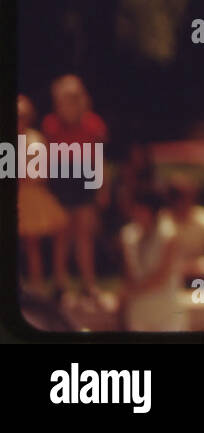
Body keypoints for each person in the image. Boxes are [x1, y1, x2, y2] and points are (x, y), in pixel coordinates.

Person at [41, 75, 108, 303]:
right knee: (62, 234)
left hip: (84, 177)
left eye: (71, 99)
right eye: (62, 100)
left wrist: (101, 187)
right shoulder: (51, 124)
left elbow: (99, 159)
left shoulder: (93, 124)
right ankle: (61, 285)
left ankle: (89, 284)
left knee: (83, 235)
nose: (65, 105)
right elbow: (47, 158)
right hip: (61, 179)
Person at [17, 94, 69, 291]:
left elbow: (41, 173)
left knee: (35, 243)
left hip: (32, 195)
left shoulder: (35, 138)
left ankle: (42, 285)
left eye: (21, 116)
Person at [119, 185, 187, 331]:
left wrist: (130, 291)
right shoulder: (128, 235)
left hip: (166, 312)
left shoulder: (170, 235)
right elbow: (129, 274)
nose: (136, 213)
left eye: (140, 209)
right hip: (138, 311)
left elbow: (162, 277)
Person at [163, 173, 204, 283]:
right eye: (176, 199)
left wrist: (198, 266)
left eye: (185, 198)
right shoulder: (161, 223)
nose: (181, 204)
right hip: (166, 280)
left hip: (200, 280)